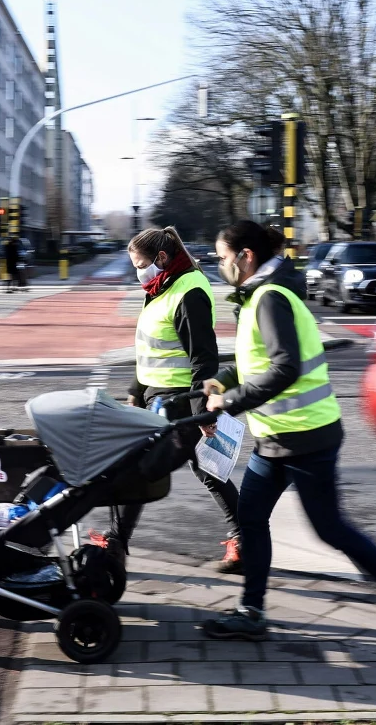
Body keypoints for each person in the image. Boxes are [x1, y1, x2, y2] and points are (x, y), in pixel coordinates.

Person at [200, 220, 376, 646]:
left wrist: (230, 402)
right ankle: (252, 610)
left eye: (222, 257)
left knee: (330, 529)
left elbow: (286, 367)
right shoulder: (260, 295)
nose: (220, 265)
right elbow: (260, 361)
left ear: (245, 256)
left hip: (306, 437)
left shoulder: (270, 298)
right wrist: (224, 379)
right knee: (251, 519)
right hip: (276, 438)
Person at [88, 227, 244, 573]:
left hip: (179, 402)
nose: (137, 272)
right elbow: (150, 349)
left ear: (161, 258)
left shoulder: (188, 292)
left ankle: (116, 544)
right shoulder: (161, 288)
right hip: (156, 399)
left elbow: (203, 358)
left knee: (143, 469)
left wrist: (203, 414)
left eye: (140, 264)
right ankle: (244, 540)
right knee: (208, 470)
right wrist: (135, 391)